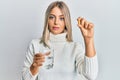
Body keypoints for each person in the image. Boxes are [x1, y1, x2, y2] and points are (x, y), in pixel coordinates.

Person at [21, 1, 98, 80]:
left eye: (61, 18)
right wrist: (34, 66)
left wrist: (89, 39)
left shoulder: (75, 48)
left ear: (66, 21)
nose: (56, 22)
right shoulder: (35, 45)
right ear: (47, 19)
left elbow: (91, 76)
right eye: (52, 17)